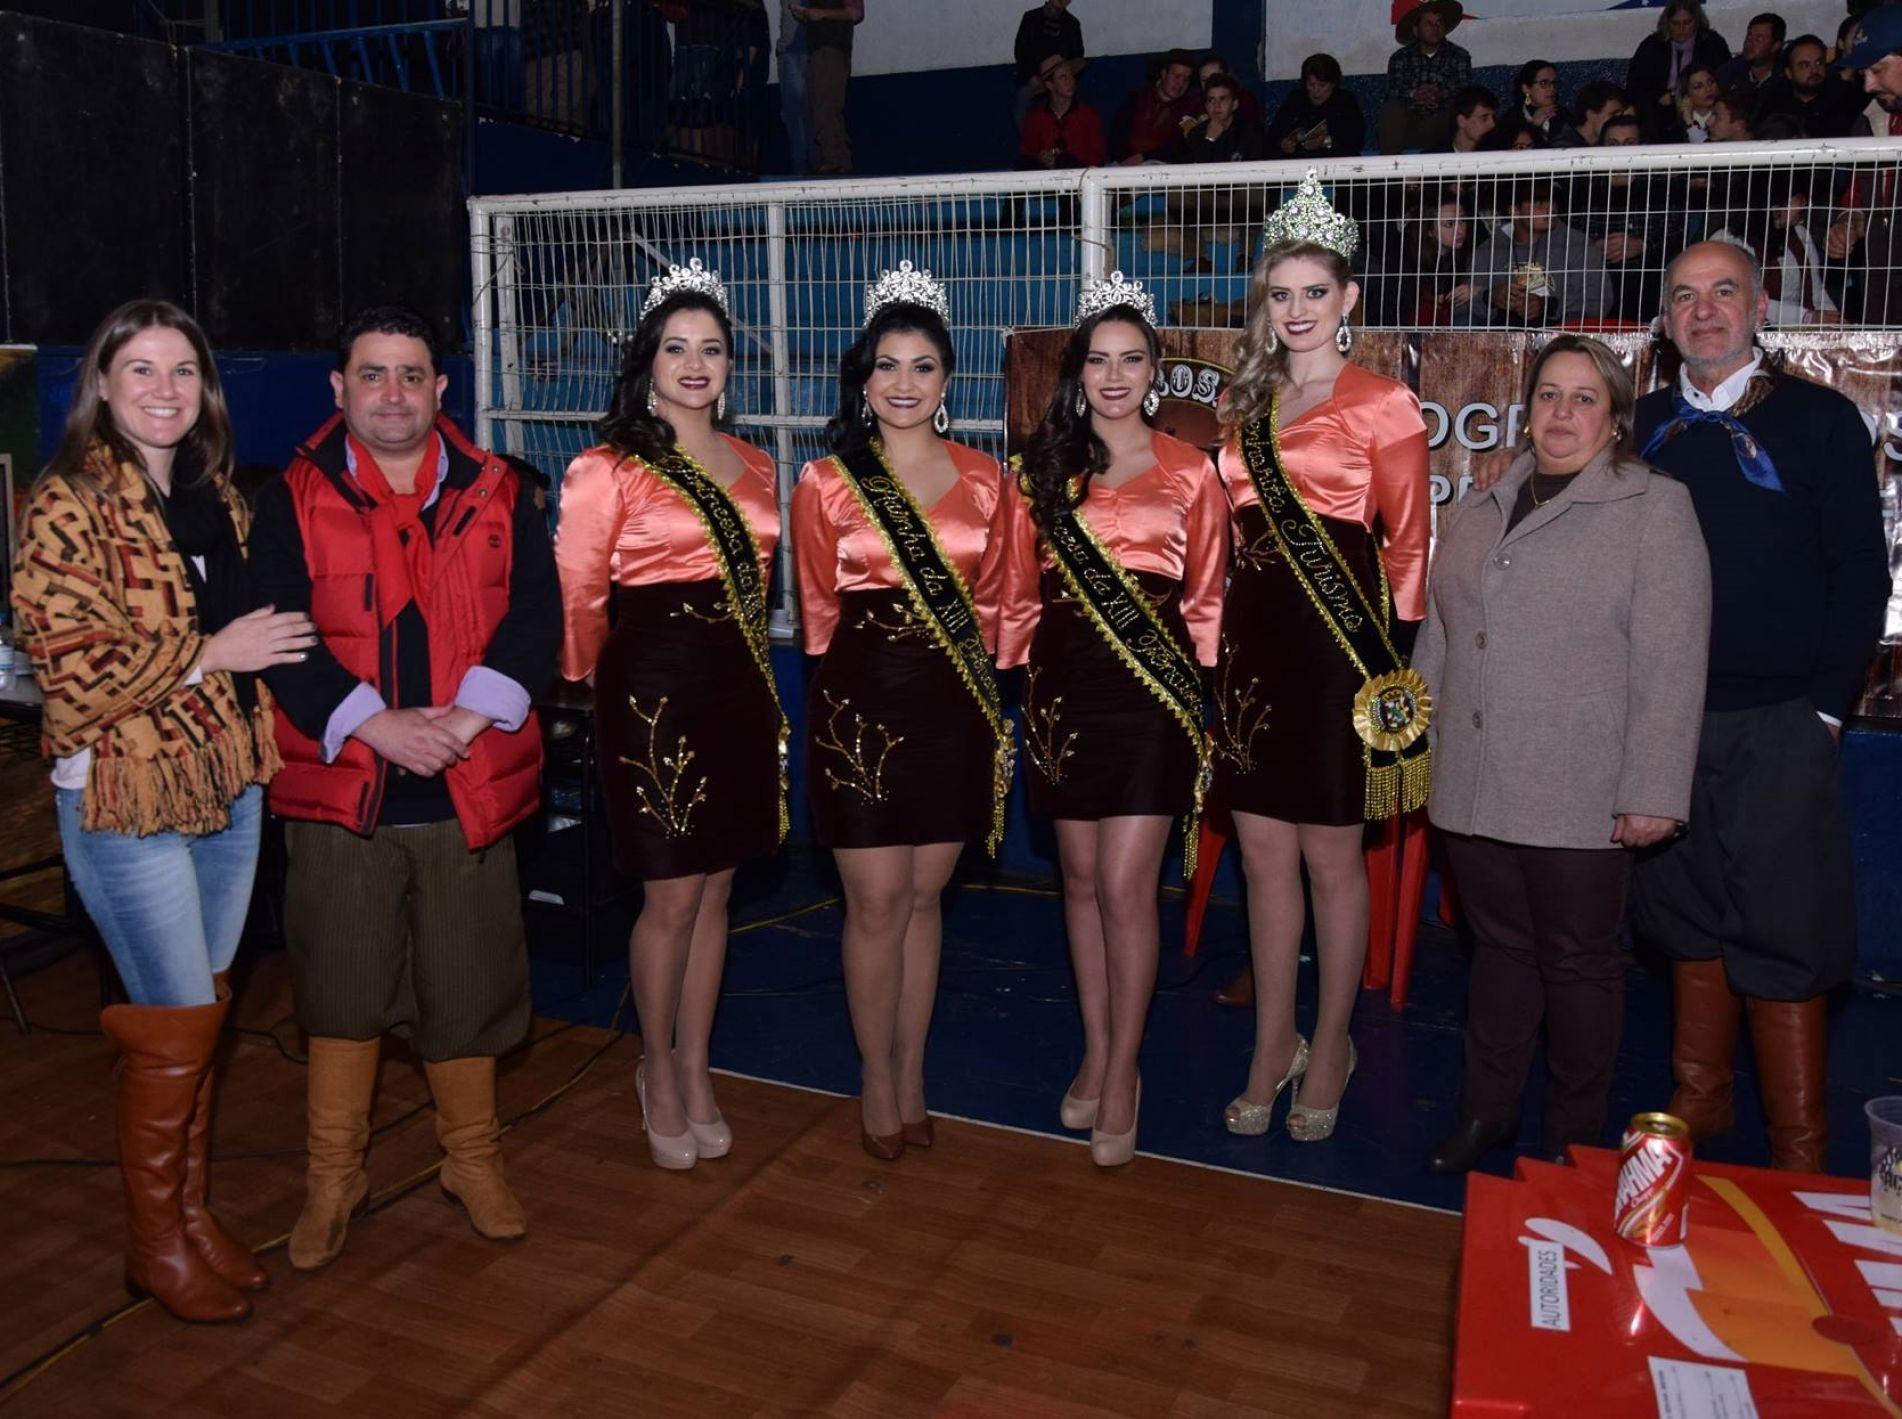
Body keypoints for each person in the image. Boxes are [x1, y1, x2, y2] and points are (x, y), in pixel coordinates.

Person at [10, 300, 309, 1323]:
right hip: (124, 795)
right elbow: (70, 672)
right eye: (140, 370)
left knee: (201, 1015)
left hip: (224, 784)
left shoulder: (212, 495)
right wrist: (210, 655)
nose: (164, 389)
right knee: (176, 1025)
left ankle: (186, 1217)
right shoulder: (66, 502)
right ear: (100, 385)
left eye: (183, 371)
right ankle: (154, 1245)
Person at [249, 305, 559, 1269]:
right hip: (347, 785)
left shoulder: (502, 491)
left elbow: (536, 622)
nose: (393, 394)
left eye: (411, 374)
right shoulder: (286, 497)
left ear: (442, 388)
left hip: (467, 780)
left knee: (467, 990)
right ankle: (334, 1178)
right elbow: (278, 632)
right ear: (338, 390)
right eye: (373, 375)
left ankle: (473, 1162)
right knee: (340, 989)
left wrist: (461, 721)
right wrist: (378, 724)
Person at [1418, 336, 1711, 1174]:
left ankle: (1574, 1141)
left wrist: (1654, 787)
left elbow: (1673, 660)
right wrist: (1413, 745)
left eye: (1586, 398)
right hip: (1474, 783)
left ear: (1616, 417)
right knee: (1500, 953)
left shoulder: (1656, 507)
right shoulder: (1482, 504)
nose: (1563, 413)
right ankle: (1488, 1112)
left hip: (1581, 789)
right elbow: (1443, 635)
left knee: (1580, 966)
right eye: (1550, 394)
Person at [1630, 240, 1888, 1174]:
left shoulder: (1821, 420)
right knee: (1684, 915)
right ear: (1663, 321)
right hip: (1663, 721)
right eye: (1685, 296)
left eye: (1723, 292)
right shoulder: (1642, 426)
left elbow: (1864, 570)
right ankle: (1702, 1103)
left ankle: (1800, 1149)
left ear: (1761, 306)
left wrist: (1825, 710)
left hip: (1783, 716)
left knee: (1784, 928)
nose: (1704, 312)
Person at [1212, 172, 1431, 1142]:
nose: (1295, 310)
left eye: (1314, 291)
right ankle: (1272, 1043)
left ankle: (1331, 1041)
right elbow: (1224, 539)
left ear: (1347, 299)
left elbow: (1412, 543)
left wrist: (1389, 669)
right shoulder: (1242, 401)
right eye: (1280, 292)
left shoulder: (1386, 404)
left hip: (1344, 652)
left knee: (1335, 863)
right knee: (1262, 859)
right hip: (1258, 649)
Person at [554, 261, 786, 1171]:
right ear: (646, 359)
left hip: (733, 683)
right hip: (648, 689)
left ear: (731, 364)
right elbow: (579, 593)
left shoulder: (761, 462)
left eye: (712, 348)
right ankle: (656, 1067)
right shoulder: (605, 465)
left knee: (719, 888)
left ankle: (695, 1065)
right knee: (671, 892)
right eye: (676, 347)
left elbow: (760, 587)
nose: (695, 363)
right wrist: (586, 691)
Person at [994, 275, 1226, 1167]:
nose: (1115, 375)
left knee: (1129, 887)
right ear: (1077, 371)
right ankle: (1095, 1050)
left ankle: (1124, 1071)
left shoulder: (1191, 471)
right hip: (1063, 693)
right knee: (1081, 884)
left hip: (1153, 700)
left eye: (1133, 358)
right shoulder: (1043, 469)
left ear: (1157, 371)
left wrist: (1208, 702)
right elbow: (1017, 590)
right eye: (1100, 359)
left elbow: (1207, 596)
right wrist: (1008, 684)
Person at [791, 263, 1012, 1160]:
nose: (905, 383)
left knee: (926, 902)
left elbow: (1002, 606)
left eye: (923, 366)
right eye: (888, 365)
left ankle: (913, 1070)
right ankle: (875, 1081)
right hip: (859, 710)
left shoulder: (990, 480)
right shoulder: (825, 483)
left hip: (954, 709)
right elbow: (813, 618)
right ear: (863, 377)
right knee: (876, 903)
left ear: (948, 381)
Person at [1453, 179, 1610, 327]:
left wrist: (1548, 305)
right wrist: (1490, 297)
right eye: (1538, 202)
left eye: (1552, 201)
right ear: (1514, 210)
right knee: (1464, 322)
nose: (1550, 208)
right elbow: (1460, 307)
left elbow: (1599, 300)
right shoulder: (1487, 251)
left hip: (1559, 336)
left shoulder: (1578, 244)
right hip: (1502, 336)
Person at [1360, 186, 1473, 326]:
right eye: (1450, 224)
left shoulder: (1464, 256)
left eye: (1463, 220)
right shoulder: (1405, 263)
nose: (1460, 229)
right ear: (1429, 230)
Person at [1377, 0, 1472, 154]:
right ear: (1416, 30)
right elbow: (1392, 92)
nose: (1435, 28)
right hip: (1409, 125)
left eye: (1439, 23)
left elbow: (1465, 91)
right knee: (1392, 110)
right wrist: (1414, 94)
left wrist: (1440, 93)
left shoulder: (1459, 55)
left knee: (1459, 112)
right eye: (1429, 24)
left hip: (1444, 123)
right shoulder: (1400, 58)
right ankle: (1391, 170)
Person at [1627, 0, 1731, 140]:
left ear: (1696, 22)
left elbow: (1724, 78)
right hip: (1661, 107)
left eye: (1687, 23)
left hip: (1702, 104)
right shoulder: (1652, 45)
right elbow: (1635, 84)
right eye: (1675, 23)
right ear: (1667, 24)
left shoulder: (1712, 43)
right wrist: (1658, 95)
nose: (1681, 28)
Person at [799, 0, 862, 174]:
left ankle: (836, 161)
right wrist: (808, 15)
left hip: (832, 48)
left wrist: (821, 13)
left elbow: (855, 13)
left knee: (826, 106)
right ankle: (835, 160)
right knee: (819, 106)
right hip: (820, 49)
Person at [1266, 53, 1366, 161]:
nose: (1316, 90)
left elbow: (1355, 139)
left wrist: (1326, 142)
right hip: (1299, 164)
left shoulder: (1345, 101)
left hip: (1335, 164)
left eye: (1322, 85)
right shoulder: (1296, 100)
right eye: (1311, 84)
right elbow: (1274, 134)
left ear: (1333, 84)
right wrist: (1283, 143)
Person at [1764, 33, 1865, 137]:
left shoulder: (1845, 99)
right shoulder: (1774, 103)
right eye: (1805, 65)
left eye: (1818, 63)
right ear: (1789, 73)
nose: (1814, 70)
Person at [1020, 53, 1105, 168]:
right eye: (1063, 77)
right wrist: (1041, 158)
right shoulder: (1036, 119)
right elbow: (1026, 156)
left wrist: (1064, 161)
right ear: (1050, 85)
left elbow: (1097, 159)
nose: (1070, 81)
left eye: (1071, 76)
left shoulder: (1088, 116)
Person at [1119, 49, 1199, 164]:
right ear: (1164, 73)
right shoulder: (1137, 99)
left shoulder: (1190, 108)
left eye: (1186, 79)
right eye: (1177, 76)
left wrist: (1144, 157)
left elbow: (1179, 148)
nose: (1180, 83)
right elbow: (1118, 138)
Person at [1013, 0, 1083, 129]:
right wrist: (1031, 77)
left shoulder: (1072, 24)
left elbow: (1077, 57)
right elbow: (1021, 52)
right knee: (1024, 109)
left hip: (1060, 83)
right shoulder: (1031, 19)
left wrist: (1062, 80)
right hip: (1033, 81)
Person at [1173, 71, 1265, 163]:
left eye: (1222, 99)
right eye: (1211, 100)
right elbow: (1191, 172)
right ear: (1206, 106)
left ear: (1234, 104)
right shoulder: (1196, 134)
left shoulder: (1251, 133)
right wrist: (1209, 140)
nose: (1216, 105)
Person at [776, 0, 811, 173]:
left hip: (796, 49)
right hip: (795, 49)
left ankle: (802, 167)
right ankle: (804, 165)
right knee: (796, 114)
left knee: (796, 114)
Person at [1717, 11, 1786, 92]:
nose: (1749, 43)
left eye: (1758, 39)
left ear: (1775, 46)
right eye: (1748, 36)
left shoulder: (1787, 77)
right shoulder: (1729, 71)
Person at [1553, 80, 1629, 148]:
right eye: (1613, 115)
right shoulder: (1563, 149)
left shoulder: (1603, 145)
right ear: (1591, 113)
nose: (1619, 121)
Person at [1511, 60, 1563, 141]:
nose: (1552, 88)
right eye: (1543, 83)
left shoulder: (1563, 115)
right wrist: (1533, 126)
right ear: (1526, 88)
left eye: (1554, 82)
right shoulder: (1511, 120)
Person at [1439, 84, 1498, 154]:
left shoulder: (1498, 155)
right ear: (1462, 121)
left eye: (1493, 118)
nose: (1492, 124)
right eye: (1484, 118)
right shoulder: (1433, 158)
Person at [1673, 63, 1723, 140]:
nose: (1708, 89)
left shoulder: (1727, 120)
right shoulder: (1676, 128)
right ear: (1686, 95)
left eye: (1711, 82)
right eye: (1698, 86)